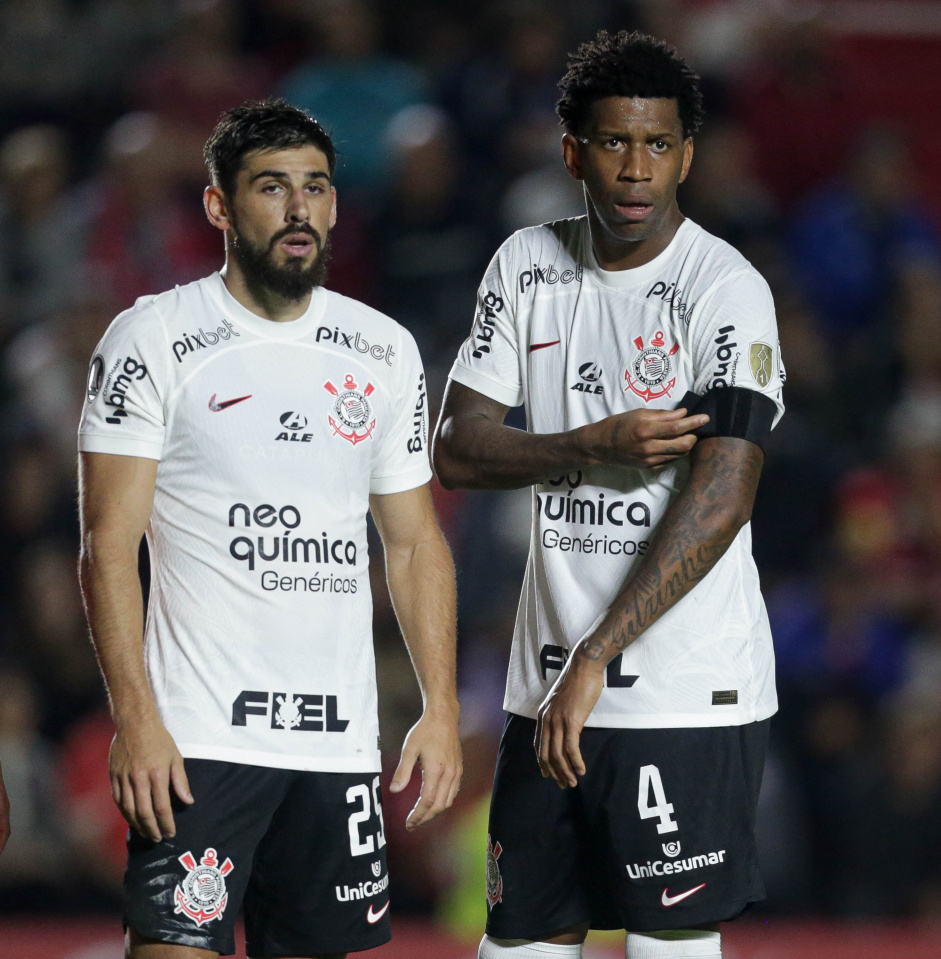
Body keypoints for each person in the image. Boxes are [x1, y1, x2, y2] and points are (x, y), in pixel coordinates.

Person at [78, 98, 461, 959]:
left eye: (316, 188)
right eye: (272, 188)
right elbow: (107, 542)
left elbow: (411, 541)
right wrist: (136, 718)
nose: (298, 209)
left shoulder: (383, 349)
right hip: (198, 737)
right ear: (219, 205)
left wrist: (438, 707)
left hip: (337, 746)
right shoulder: (154, 338)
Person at [433, 31, 784, 959]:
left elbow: (722, 499)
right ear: (571, 151)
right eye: (615, 143)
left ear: (688, 155)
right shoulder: (525, 264)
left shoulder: (723, 291)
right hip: (548, 684)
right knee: (517, 945)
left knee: (663, 943)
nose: (636, 169)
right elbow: (458, 451)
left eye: (658, 144)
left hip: (678, 690)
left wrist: (597, 652)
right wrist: (591, 443)